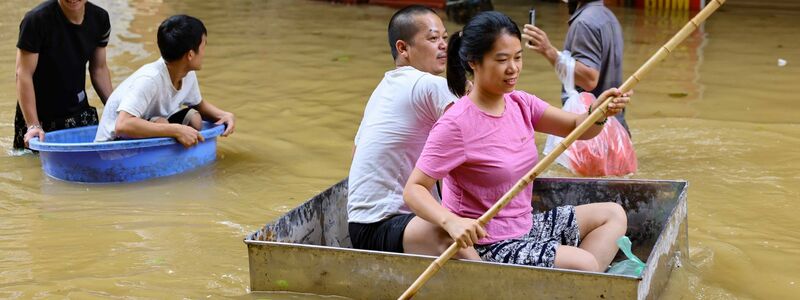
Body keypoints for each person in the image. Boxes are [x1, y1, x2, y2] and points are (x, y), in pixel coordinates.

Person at [404, 11, 629, 271]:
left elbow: (579, 127)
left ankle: (576, 285)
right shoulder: (456, 123)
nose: (513, 68)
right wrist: (450, 222)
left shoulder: (520, 103)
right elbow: (414, 189)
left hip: (526, 226)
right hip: (489, 243)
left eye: (518, 57)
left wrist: (599, 113)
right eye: (502, 60)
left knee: (613, 215)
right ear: (474, 62)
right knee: (585, 264)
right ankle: (581, 280)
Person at [347, 6, 479, 259]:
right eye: (432, 39)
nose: (443, 46)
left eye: (444, 37)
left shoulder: (382, 89)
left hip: (360, 226)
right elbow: (478, 138)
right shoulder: (430, 84)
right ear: (403, 48)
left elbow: (356, 154)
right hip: (385, 224)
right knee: (451, 234)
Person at [94, 15, 234, 146]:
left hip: (146, 125)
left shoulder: (187, 73)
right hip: (112, 144)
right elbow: (122, 125)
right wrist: (176, 130)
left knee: (195, 119)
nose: (204, 53)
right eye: (204, 47)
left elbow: (199, 105)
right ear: (190, 55)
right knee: (162, 122)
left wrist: (223, 115)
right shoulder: (150, 79)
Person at [14, 0, 113, 149]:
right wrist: (33, 124)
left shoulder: (100, 18)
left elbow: (99, 69)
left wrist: (118, 109)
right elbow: (23, 74)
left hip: (79, 111)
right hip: (38, 115)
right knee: (32, 165)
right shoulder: (36, 20)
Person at [524, 0, 629, 135]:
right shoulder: (609, 16)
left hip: (593, 132)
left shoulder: (584, 23)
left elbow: (589, 79)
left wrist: (549, 51)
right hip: (616, 129)